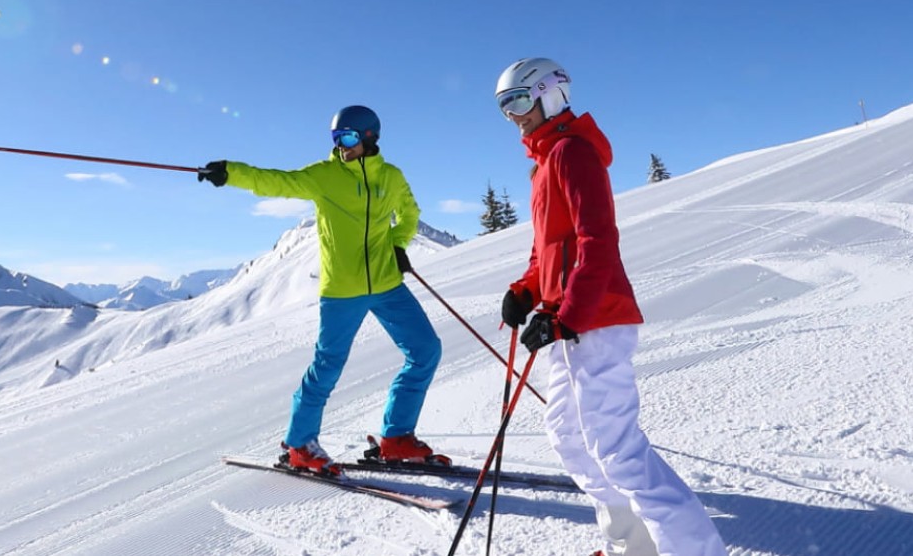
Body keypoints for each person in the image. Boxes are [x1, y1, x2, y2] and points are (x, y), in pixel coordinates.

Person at [495, 58, 727, 556]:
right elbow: (549, 250)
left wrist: (567, 316)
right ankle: (636, 544)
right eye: (503, 107)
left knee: (617, 450)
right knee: (568, 438)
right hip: (566, 322)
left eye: (517, 100)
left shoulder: (574, 153)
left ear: (548, 94)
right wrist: (526, 292)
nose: (513, 115)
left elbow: (596, 243)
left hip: (594, 319)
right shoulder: (544, 163)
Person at [199, 105, 444, 475]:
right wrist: (231, 172)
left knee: (426, 350)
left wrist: (397, 244)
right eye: (335, 139)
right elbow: (275, 181)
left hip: (387, 283)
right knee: (327, 368)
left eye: (346, 138)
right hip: (342, 288)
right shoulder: (324, 176)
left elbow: (409, 213)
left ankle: (396, 437)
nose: (340, 147)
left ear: (368, 138)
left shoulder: (391, 177)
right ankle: (299, 444)